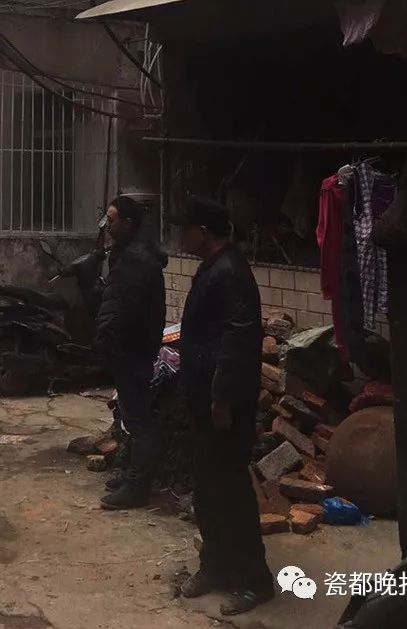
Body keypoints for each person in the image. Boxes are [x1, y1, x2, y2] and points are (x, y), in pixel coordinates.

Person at [168, 196, 274, 618]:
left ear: (203, 232)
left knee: (231, 490)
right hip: (203, 397)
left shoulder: (231, 273)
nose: (180, 235)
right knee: (208, 489)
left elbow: (237, 342)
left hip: (223, 403)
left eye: (185, 229)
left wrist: (221, 398)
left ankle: (254, 580)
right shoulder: (212, 267)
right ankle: (214, 565)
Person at [94, 195, 167, 511]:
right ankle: (132, 476)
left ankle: (137, 486)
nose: (107, 226)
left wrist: (111, 338)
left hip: (131, 349)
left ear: (128, 223)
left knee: (139, 420)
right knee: (130, 415)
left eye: (111, 220)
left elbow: (127, 311)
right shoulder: (126, 253)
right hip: (127, 348)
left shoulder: (136, 260)